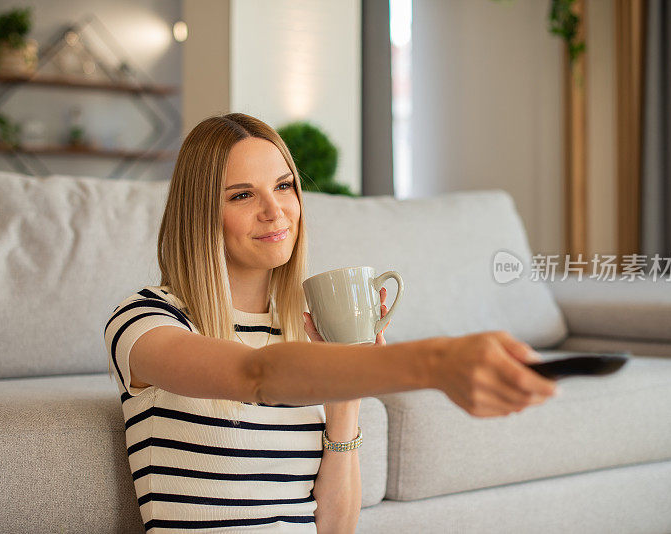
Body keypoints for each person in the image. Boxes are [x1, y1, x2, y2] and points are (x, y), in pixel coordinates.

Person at [103, 112, 557, 533]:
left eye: (284, 186)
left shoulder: (304, 334)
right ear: (200, 213)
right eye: (243, 195)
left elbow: (336, 528)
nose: (275, 210)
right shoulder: (146, 321)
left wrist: (345, 398)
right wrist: (435, 361)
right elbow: (255, 374)